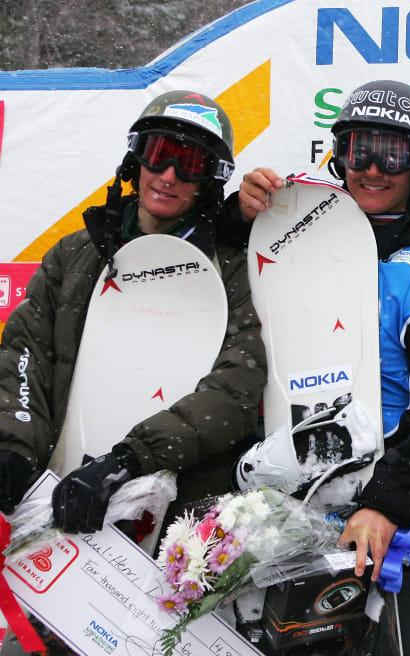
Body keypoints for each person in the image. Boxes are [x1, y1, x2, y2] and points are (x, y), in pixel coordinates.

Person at [231, 80, 410, 647]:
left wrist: (385, 505)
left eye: (392, 154)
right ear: (337, 153)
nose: (372, 169)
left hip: (378, 514)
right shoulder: (295, 232)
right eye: (358, 149)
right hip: (283, 497)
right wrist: (239, 215)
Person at [0, 90, 266, 535]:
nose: (168, 175)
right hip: (55, 488)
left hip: (172, 515)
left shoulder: (233, 270)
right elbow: (24, 359)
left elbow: (234, 389)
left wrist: (130, 459)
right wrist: (14, 451)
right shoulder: (75, 254)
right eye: (159, 153)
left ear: (209, 181)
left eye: (189, 164)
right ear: (135, 161)